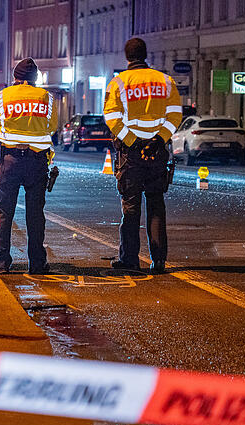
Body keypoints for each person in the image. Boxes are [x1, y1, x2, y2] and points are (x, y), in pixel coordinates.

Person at [103, 38, 182, 274]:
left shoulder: (119, 82)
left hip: (131, 155)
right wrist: (158, 140)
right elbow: (175, 115)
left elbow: (112, 118)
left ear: (127, 57)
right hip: (157, 153)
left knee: (131, 207)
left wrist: (134, 142)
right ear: (146, 55)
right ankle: (158, 261)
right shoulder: (166, 81)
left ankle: (129, 259)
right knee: (156, 204)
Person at [0, 58, 58, 274]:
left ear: (15, 77)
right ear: (35, 79)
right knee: (35, 214)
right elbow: (52, 126)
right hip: (37, 162)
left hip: (9, 161)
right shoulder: (46, 98)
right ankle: (37, 263)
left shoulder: (2, 96)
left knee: (4, 212)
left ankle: (2, 263)